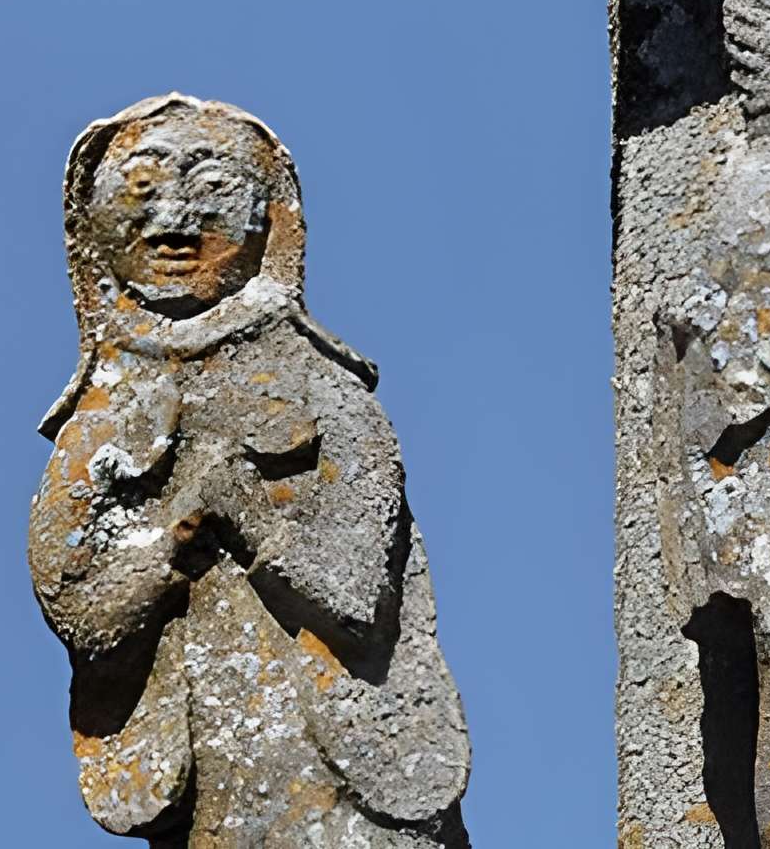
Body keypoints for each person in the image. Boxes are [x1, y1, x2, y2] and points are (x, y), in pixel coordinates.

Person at [29, 96, 472, 847]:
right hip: (208, 777)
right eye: (140, 187)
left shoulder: (318, 387)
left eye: (210, 186)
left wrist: (245, 511)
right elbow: (75, 600)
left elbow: (358, 597)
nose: (173, 215)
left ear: (270, 217)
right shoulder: (102, 419)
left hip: (343, 774)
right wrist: (167, 552)